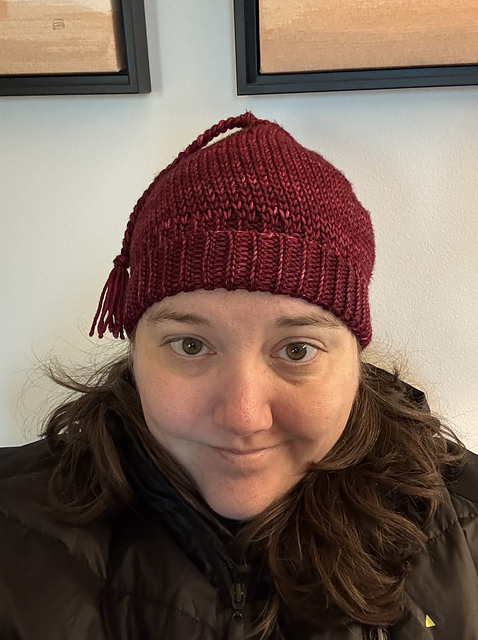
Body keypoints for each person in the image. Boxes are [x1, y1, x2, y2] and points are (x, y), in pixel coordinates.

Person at [0, 112, 477, 640]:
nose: (243, 417)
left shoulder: (465, 530)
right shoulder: (14, 533)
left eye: (296, 350)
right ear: (135, 350)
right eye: (190, 345)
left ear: (354, 360)